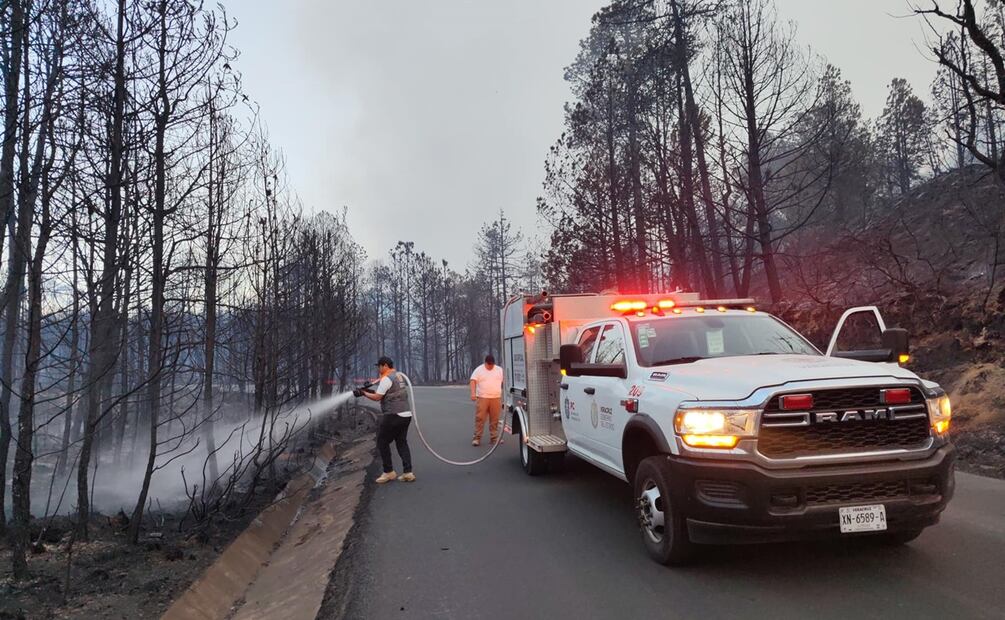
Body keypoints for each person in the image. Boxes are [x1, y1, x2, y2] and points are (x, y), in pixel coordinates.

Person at [356, 356, 415, 483]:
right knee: (401, 442)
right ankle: (408, 472)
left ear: (385, 366)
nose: (378, 369)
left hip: (393, 415)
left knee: (382, 442)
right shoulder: (398, 376)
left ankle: (389, 472)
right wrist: (368, 390)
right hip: (406, 414)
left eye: (379, 366)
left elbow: (378, 397)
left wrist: (364, 393)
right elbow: (389, 393)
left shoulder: (386, 378)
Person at [469, 354, 504, 447]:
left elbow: (505, 381)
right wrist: (473, 393)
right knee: (480, 418)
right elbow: (473, 381)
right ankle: (477, 438)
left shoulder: (499, 370)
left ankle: (494, 438)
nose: (490, 366)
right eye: (489, 365)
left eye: (492, 365)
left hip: (496, 397)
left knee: (495, 419)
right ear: (485, 363)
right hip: (482, 397)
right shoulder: (479, 370)